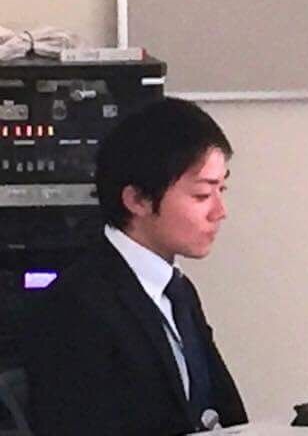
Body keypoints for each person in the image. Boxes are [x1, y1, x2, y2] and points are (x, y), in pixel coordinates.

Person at [24, 97, 247, 435]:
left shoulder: (178, 291)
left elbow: (229, 417)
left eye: (222, 189)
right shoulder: (76, 306)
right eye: (202, 195)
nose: (220, 212)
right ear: (138, 200)